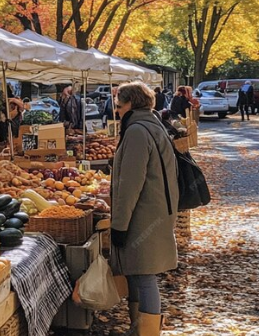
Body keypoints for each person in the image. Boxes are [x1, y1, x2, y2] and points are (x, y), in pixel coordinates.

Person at [110, 81, 178, 335]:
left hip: (144, 213)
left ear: (130, 104)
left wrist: (119, 224)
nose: (116, 111)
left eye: (119, 105)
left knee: (144, 275)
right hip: (156, 208)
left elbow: (131, 183)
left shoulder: (137, 131)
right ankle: (139, 328)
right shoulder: (152, 124)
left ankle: (147, 332)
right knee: (139, 273)